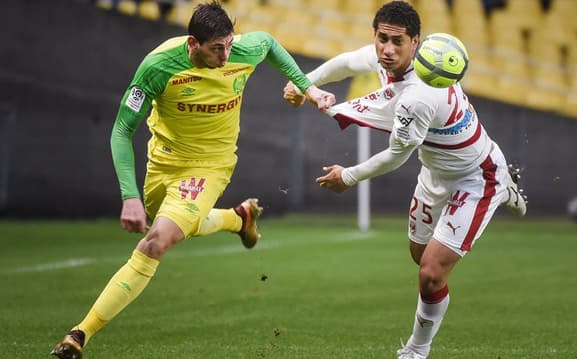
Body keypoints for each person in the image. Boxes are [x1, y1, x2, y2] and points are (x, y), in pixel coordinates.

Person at [51, 2, 335, 358]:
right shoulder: (158, 66)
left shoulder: (243, 50)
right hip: (164, 164)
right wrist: (130, 196)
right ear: (193, 44)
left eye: (230, 44)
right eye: (218, 48)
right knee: (172, 222)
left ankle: (80, 335)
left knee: (156, 241)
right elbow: (122, 129)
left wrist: (308, 89)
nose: (226, 54)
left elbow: (271, 44)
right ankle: (238, 218)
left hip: (210, 166)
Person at [283, 1, 527, 358]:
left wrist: (347, 176)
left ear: (416, 42)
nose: (387, 49)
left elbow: (397, 156)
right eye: (382, 39)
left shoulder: (420, 95)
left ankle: (417, 349)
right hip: (435, 173)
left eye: (398, 42)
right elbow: (349, 61)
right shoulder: (386, 58)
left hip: (476, 177)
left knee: (430, 273)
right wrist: (305, 83)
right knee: (419, 255)